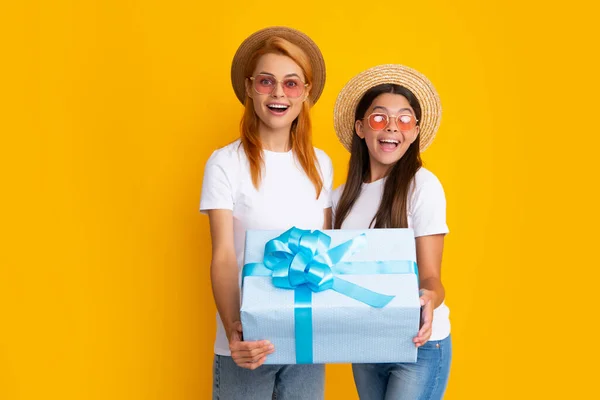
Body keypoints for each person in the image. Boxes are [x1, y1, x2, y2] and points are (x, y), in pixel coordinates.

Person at [199, 27, 332, 400]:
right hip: (247, 343)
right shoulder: (225, 164)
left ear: (305, 93)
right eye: (266, 82)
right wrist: (234, 330)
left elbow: (325, 251)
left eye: (291, 84)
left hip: (305, 341)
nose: (278, 93)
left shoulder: (320, 165)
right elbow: (224, 256)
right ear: (249, 88)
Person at [332, 64, 451, 400]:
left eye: (404, 119)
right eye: (379, 118)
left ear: (414, 132)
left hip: (418, 345)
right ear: (360, 127)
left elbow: (431, 278)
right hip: (366, 342)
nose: (392, 129)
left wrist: (428, 300)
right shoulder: (338, 198)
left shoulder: (422, 187)